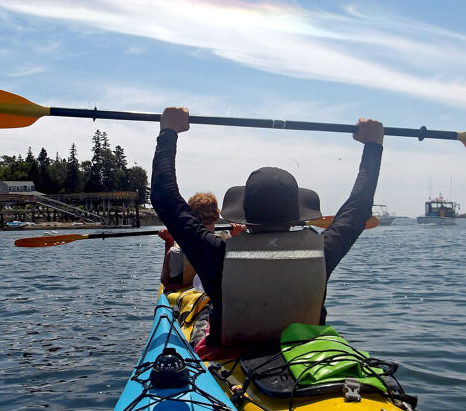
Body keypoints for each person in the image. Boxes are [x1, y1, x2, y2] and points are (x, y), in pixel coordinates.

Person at [151, 106, 383, 347]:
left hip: (232, 356)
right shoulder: (322, 251)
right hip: (304, 355)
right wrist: (374, 145)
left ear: (245, 214)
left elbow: (164, 198)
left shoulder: (216, 253)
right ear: (296, 214)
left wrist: (169, 131)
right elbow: (358, 207)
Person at [159, 192, 244, 290]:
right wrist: (238, 237)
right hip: (221, 295)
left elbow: (165, 281)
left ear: (190, 217)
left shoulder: (175, 253)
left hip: (191, 299)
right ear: (216, 216)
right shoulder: (230, 245)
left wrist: (169, 242)